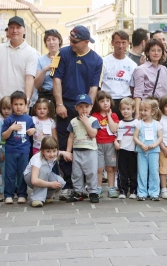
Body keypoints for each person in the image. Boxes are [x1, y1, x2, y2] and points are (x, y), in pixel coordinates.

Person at [52, 25, 103, 201]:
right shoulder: (61, 54)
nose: (71, 44)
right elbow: (56, 79)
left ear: (86, 41)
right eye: (70, 40)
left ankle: (90, 187)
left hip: (84, 106)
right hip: (65, 104)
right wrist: (59, 104)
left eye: (75, 41)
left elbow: (94, 87)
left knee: (86, 144)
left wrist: (86, 111)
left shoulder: (97, 60)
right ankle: (69, 185)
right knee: (66, 143)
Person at [0, 16, 39, 101]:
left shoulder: (31, 52)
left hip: (19, 103)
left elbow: (29, 79)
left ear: (24, 30)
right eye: (11, 28)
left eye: (18, 27)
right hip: (0, 101)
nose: (15, 30)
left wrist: (26, 100)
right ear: (8, 30)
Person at [2, 91, 36, 204]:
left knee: (22, 172)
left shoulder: (29, 119)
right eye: (16, 104)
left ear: (26, 105)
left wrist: (33, 130)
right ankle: (8, 194)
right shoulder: (8, 120)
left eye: (21, 104)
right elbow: (4, 136)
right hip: (11, 150)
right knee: (10, 173)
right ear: (11, 105)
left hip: (24, 150)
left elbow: (33, 129)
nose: (18, 107)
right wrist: (11, 128)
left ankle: (22, 194)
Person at [65, 94, 100, 204]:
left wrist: (86, 122)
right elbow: (71, 137)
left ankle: (93, 192)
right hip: (77, 150)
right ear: (76, 108)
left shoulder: (93, 120)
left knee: (91, 172)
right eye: (80, 106)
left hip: (90, 150)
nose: (83, 109)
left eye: (86, 106)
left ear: (91, 107)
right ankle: (78, 192)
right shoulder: (73, 121)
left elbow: (93, 133)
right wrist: (68, 151)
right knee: (76, 173)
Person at [23, 136, 71, 207]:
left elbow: (57, 152)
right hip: (30, 177)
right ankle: (37, 198)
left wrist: (64, 152)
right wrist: (51, 184)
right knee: (44, 169)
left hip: (45, 174)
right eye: (48, 151)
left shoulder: (54, 154)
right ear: (42, 151)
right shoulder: (37, 159)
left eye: (54, 151)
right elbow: (34, 180)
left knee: (61, 183)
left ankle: (46, 196)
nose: (52, 154)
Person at [101, 30, 137, 119]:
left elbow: (132, 87)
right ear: (112, 43)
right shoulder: (104, 62)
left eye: (123, 43)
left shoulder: (133, 65)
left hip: (125, 101)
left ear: (128, 43)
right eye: (117, 42)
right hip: (108, 100)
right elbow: (99, 83)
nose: (120, 46)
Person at [133, 98, 163, 201]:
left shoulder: (157, 124)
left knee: (154, 171)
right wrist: (141, 145)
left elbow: (160, 137)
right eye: (141, 110)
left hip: (154, 151)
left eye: (145, 110)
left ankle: (154, 192)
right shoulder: (139, 123)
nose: (142, 112)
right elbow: (135, 137)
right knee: (142, 172)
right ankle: (142, 192)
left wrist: (154, 144)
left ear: (153, 112)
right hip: (142, 151)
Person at [133, 39, 167, 119]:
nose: (156, 53)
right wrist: (137, 114)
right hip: (148, 109)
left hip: (163, 109)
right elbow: (138, 93)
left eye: (159, 50)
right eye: (153, 50)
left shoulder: (164, 69)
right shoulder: (141, 69)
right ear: (147, 52)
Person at [92, 91, 119, 198]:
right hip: (98, 145)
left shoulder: (114, 115)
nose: (105, 103)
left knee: (110, 167)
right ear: (98, 103)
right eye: (102, 101)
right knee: (99, 168)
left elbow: (113, 129)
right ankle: (98, 187)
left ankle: (111, 187)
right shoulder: (94, 116)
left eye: (107, 100)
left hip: (110, 144)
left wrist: (109, 116)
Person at [114, 98, 137, 199]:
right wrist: (115, 142)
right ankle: (122, 190)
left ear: (133, 109)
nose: (125, 111)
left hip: (134, 150)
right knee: (122, 171)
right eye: (123, 109)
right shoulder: (119, 123)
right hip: (122, 150)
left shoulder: (137, 123)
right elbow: (115, 136)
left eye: (128, 109)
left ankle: (133, 190)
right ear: (120, 110)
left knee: (133, 172)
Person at [34, 29, 63, 102]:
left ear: (59, 41)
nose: (51, 42)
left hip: (63, 94)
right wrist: (44, 70)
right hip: (46, 95)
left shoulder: (66, 57)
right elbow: (37, 85)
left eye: (54, 39)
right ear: (45, 43)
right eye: (48, 40)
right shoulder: (40, 59)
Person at [0, 96, 12, 194]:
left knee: (13, 169)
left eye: (9, 109)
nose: (6, 111)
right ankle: (5, 185)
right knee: (4, 169)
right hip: (2, 148)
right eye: (4, 108)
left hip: (13, 148)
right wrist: (0, 151)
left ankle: (14, 186)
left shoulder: (15, 120)